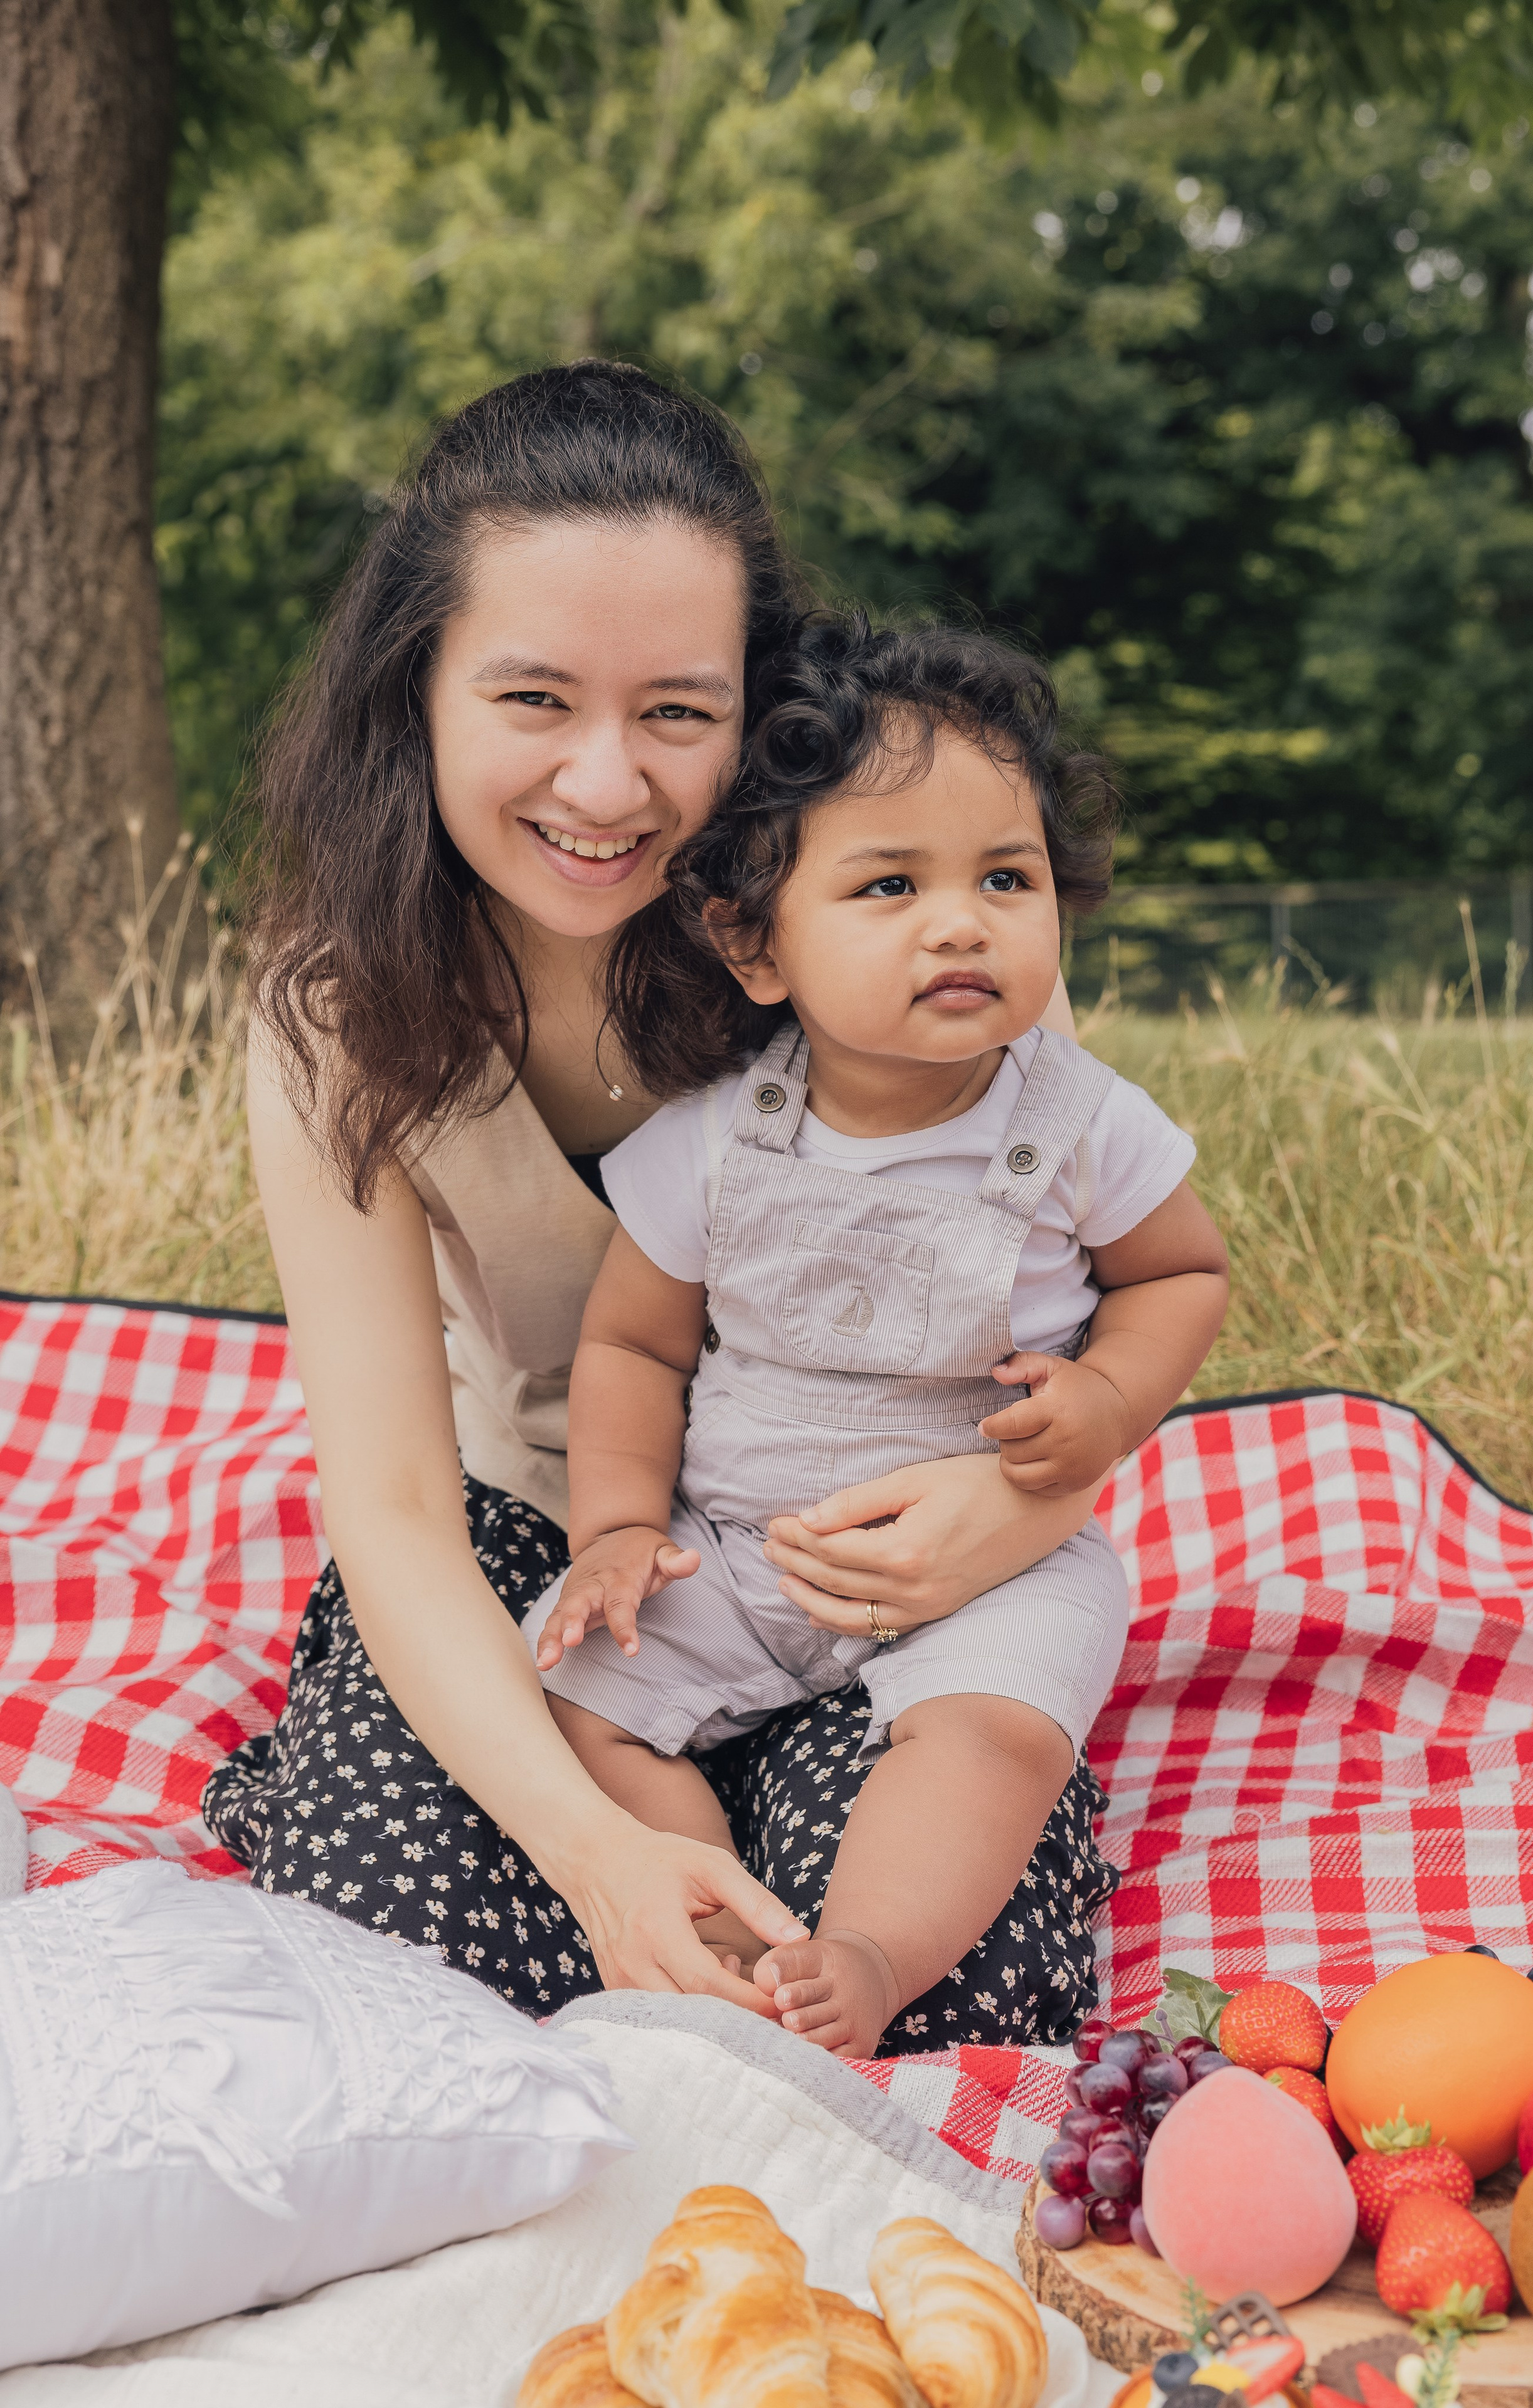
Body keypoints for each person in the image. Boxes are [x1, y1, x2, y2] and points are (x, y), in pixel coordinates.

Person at [203, 364, 1127, 2047]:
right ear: (416, 691)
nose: (608, 786)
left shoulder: (898, 911)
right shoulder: (333, 1022)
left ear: (755, 712)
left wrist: (1001, 1527)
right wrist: (602, 1860)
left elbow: (1097, 1301)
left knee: (950, 1974)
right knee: (388, 1916)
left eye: (678, 713)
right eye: (535, 700)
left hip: (859, 1531)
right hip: (532, 1551)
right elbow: (398, 1510)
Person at [531, 616, 1232, 2056]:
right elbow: (633, 1351)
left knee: (993, 1740)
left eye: (1004, 877)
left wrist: (1104, 1403)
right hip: (739, 1549)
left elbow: (1181, 1278)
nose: (961, 921)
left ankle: (863, 1956)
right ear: (754, 941)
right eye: (891, 883)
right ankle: (719, 1922)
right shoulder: (713, 1140)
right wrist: (613, 1527)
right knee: (580, 1702)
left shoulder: (1080, 1122)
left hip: (994, 1565)